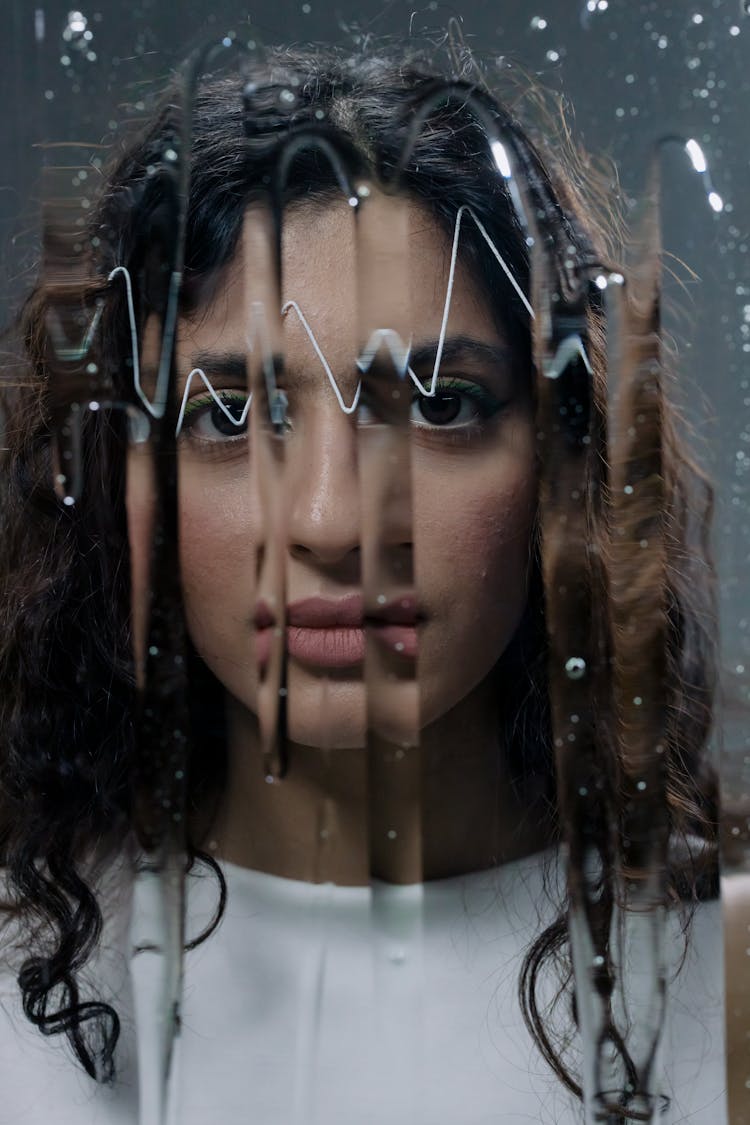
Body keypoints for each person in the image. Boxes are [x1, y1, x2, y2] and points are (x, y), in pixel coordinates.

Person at [0, 43, 724, 1124]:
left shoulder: (730, 983)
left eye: (439, 406)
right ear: (116, 476)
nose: (331, 522)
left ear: (564, 464)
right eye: (229, 416)